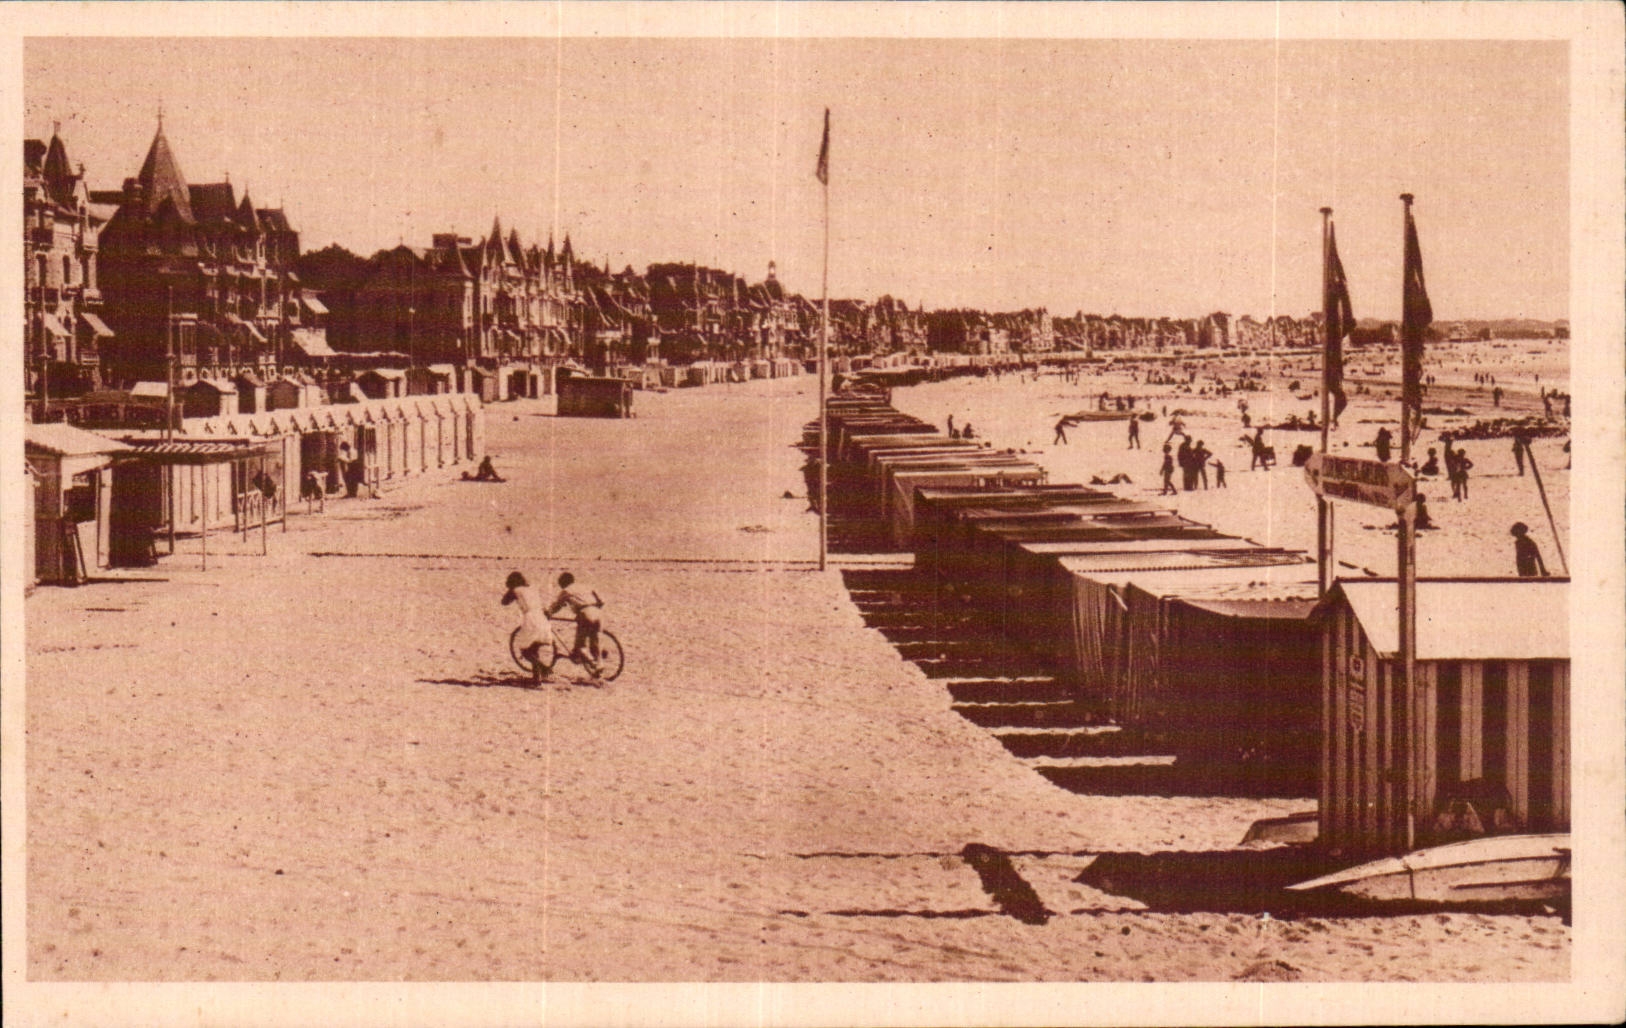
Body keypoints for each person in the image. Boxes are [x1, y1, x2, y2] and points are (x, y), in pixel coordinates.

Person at [546, 572, 605, 681]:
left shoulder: (566, 591)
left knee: (580, 645)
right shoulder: (586, 586)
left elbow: (556, 606)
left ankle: (593, 664)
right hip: (598, 613)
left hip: (585, 613)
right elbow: (601, 601)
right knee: (595, 642)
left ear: (563, 583)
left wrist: (548, 613)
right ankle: (600, 663)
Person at [502, 571, 549, 685]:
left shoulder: (516, 590)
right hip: (542, 617)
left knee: (525, 650)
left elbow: (504, 602)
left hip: (531, 619)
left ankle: (543, 668)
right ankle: (537, 678)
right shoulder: (533, 588)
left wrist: (510, 590)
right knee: (534, 649)